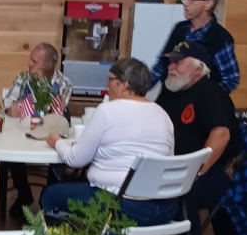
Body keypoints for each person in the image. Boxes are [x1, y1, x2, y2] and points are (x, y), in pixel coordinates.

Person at [40, 58, 176, 225]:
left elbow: (75, 159)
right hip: (165, 208)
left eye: (110, 79)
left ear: (125, 84)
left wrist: (57, 142)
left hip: (122, 206)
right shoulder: (162, 114)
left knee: (50, 195)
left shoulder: (108, 110)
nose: (107, 85)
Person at [156, 40, 242, 235]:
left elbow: (221, 136)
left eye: (178, 62)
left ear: (198, 68)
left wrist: (196, 172)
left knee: (181, 193)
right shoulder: (169, 92)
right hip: (174, 166)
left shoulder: (210, 93)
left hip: (214, 170)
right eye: (169, 62)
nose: (171, 67)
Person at [2, 42, 73, 217]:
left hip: (49, 133)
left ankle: (48, 201)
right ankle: (24, 194)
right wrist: (10, 110)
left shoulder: (63, 83)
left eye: (34, 61)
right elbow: (6, 102)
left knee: (58, 156)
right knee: (11, 151)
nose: (29, 64)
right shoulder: (23, 77)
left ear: (47, 65)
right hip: (24, 132)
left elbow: (55, 111)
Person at [150, 0, 240, 93]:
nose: (185, 3)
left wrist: (204, 97)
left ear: (208, 4)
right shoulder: (180, 29)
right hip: (169, 96)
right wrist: (138, 90)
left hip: (200, 101)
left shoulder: (220, 38)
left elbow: (230, 80)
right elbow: (161, 65)